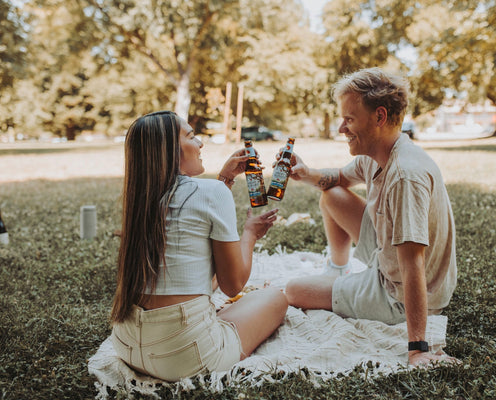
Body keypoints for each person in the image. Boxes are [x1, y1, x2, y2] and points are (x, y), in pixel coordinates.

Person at [284, 68, 458, 367]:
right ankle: (337, 270)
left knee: (293, 290)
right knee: (334, 194)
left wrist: (417, 348)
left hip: (400, 295)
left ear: (379, 117)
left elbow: (412, 264)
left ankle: (345, 285)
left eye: (349, 120)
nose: (341, 129)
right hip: (386, 256)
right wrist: (307, 173)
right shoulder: (376, 153)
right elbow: (338, 177)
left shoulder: (405, 176)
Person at [110, 110, 288, 382]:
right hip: (185, 357)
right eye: (192, 136)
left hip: (128, 346)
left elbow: (190, 248)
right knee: (275, 297)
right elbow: (233, 284)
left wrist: (224, 181)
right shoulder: (211, 193)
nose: (201, 143)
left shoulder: (138, 200)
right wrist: (249, 235)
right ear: (171, 151)